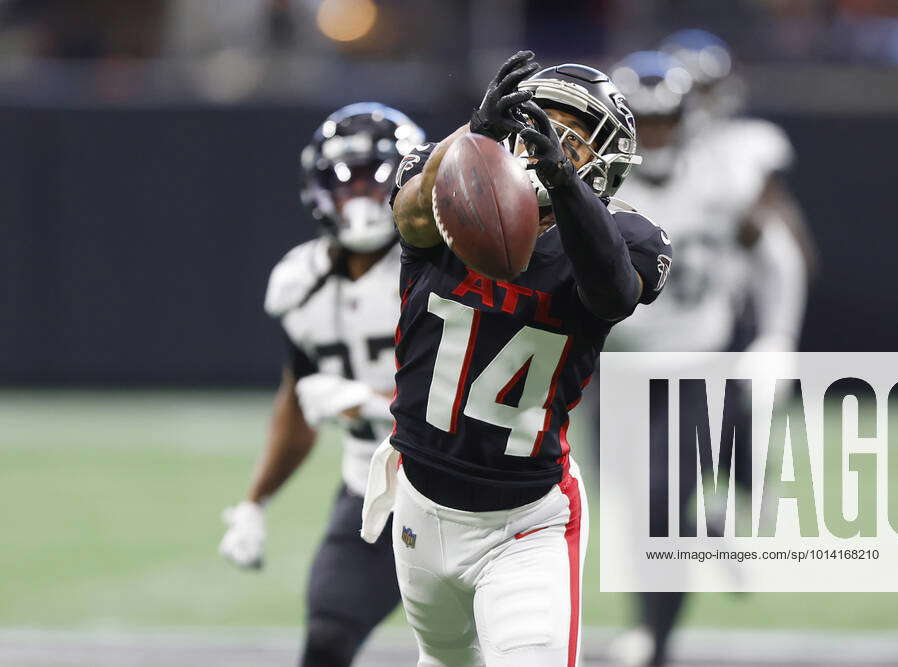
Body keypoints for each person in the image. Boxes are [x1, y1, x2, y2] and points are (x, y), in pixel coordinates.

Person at [368, 51, 671, 667]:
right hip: (421, 503)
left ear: (605, 165)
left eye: (572, 140)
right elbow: (409, 216)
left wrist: (563, 183)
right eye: (536, 124)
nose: (547, 144)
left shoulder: (630, 236)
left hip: (525, 521)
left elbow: (612, 291)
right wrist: (472, 139)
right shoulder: (444, 191)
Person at [605, 34, 815, 667]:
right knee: (626, 504)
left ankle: (656, 642)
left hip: (695, 364)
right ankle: (707, 537)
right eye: (643, 124)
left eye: (667, 120)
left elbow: (780, 253)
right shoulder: (593, 179)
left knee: (661, 503)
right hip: (608, 370)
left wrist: (777, 337)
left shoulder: (727, 171)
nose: (658, 136)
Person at [218, 102, 425, 666]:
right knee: (327, 639)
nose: (359, 195)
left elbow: (479, 394)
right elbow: (298, 399)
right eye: (345, 180)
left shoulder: (447, 268)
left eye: (374, 178)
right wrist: (256, 501)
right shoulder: (299, 283)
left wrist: (376, 405)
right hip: (373, 492)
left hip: (466, 490)